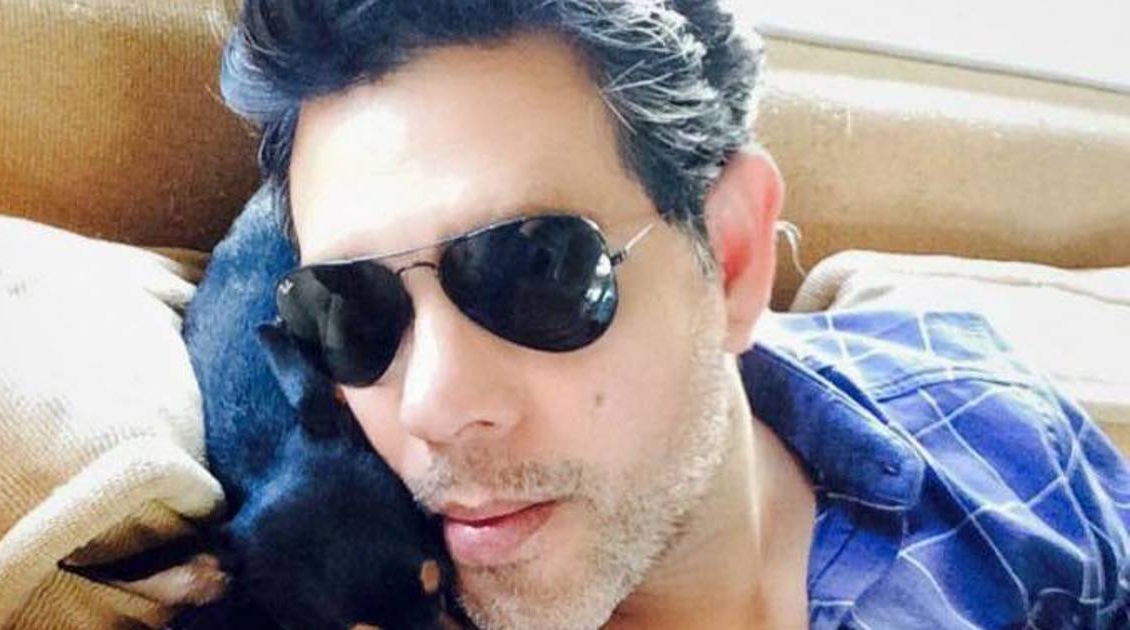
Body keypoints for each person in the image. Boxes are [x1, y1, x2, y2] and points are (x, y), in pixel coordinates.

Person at [219, 1, 1130, 628]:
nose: (431, 406)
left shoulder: (993, 424)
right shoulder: (324, 584)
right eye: (351, 310)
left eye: (531, 271)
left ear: (732, 259)